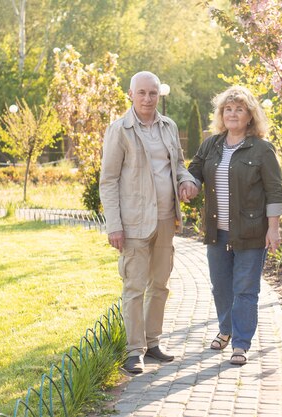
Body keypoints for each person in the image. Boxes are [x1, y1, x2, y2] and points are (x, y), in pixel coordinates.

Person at [99, 71, 198, 374]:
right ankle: (133, 351)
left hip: (166, 218)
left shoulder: (168, 126)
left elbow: (178, 165)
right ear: (130, 94)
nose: (147, 98)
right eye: (141, 93)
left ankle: (153, 343)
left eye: (152, 93)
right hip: (133, 222)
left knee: (160, 285)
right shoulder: (120, 130)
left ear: (158, 95)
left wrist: (187, 181)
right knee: (134, 286)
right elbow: (109, 181)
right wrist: (114, 224)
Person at [187, 85, 282, 365]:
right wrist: (188, 184)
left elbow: (275, 191)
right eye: (227, 109)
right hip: (217, 231)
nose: (232, 114)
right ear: (221, 114)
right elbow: (194, 172)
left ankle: (240, 344)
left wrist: (273, 227)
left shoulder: (262, 149)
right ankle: (226, 330)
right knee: (220, 286)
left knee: (245, 289)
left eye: (239, 109)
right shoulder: (211, 145)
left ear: (250, 115)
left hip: (251, 232)